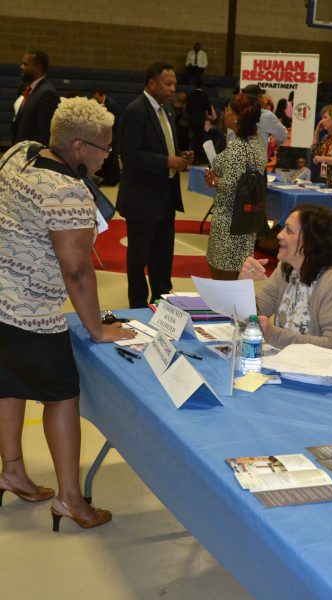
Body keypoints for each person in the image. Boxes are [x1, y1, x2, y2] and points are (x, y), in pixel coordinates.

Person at [0, 97, 136, 530]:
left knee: (8, 384)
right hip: (32, 315)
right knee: (61, 396)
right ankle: (71, 500)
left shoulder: (18, 153)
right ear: (78, 147)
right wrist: (98, 329)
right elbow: (77, 271)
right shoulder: (68, 192)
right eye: (104, 149)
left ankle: (12, 471)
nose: (106, 157)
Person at [238, 204, 332, 385]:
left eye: (289, 230)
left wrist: (273, 334)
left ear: (311, 241)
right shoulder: (285, 269)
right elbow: (254, 314)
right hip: (298, 371)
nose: (279, 235)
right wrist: (242, 285)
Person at [116, 62, 193, 308]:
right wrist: (167, 161)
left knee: (163, 253)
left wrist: (180, 157)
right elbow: (130, 155)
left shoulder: (167, 111)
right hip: (142, 196)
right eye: (167, 84)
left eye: (174, 84)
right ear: (151, 83)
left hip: (165, 194)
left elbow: (164, 146)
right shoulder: (136, 111)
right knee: (139, 256)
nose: (172, 89)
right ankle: (138, 304)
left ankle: (161, 299)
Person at [204, 93, 266, 280]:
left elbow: (231, 186)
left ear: (238, 116)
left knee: (225, 278)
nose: (225, 113)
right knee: (240, 272)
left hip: (229, 223)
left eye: (229, 110)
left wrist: (215, 179)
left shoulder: (239, 148)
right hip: (245, 222)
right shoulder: (257, 143)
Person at [12, 48, 59, 146]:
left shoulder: (47, 93)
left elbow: (46, 135)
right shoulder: (33, 90)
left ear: (38, 68)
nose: (21, 67)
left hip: (33, 153)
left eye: (25, 64)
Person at [242, 84, 287, 158]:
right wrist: (276, 143)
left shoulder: (234, 113)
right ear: (259, 96)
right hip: (257, 161)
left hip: (236, 159)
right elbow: (282, 135)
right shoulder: (266, 115)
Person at [93, 89, 121, 186]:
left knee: (112, 158)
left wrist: (113, 138)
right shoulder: (98, 104)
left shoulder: (112, 105)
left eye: (95, 96)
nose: (94, 98)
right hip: (103, 137)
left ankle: (114, 179)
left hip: (112, 137)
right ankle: (107, 178)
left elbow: (116, 123)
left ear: (100, 95)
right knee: (106, 158)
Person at [186, 85, 211, 164]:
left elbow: (188, 109)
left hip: (192, 120)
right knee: (199, 140)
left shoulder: (190, 95)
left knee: (193, 139)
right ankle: (199, 158)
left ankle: (192, 158)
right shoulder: (204, 95)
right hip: (200, 121)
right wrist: (209, 113)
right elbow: (208, 108)